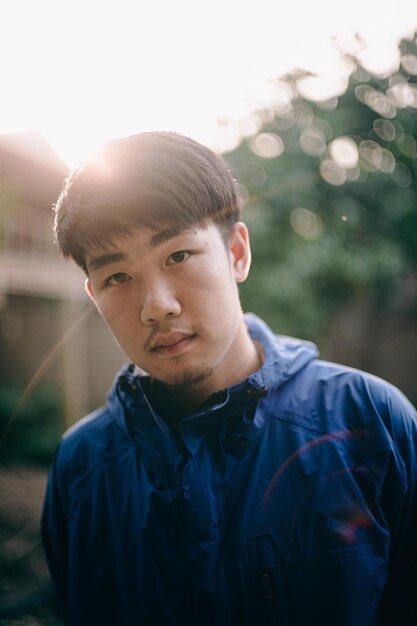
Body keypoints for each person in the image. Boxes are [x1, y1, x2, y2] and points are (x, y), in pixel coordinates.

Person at [42, 131, 417, 626]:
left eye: (178, 255)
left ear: (237, 253)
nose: (157, 306)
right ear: (94, 294)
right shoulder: (82, 466)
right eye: (118, 277)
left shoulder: (370, 420)